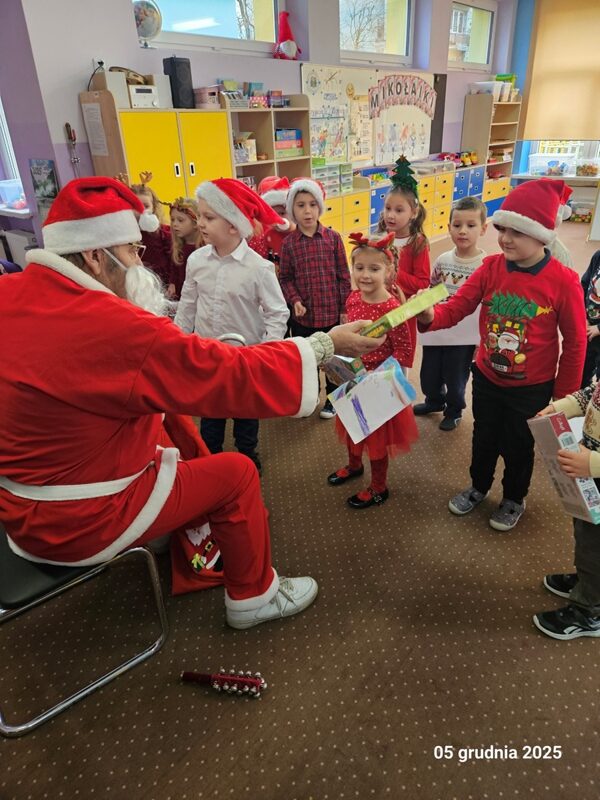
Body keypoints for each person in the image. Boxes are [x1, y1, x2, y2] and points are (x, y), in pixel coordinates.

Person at [0, 176, 385, 630]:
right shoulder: (115, 325)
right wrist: (324, 345)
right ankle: (253, 595)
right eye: (131, 251)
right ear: (95, 257)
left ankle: (164, 532)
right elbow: (227, 373)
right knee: (237, 472)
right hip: (80, 519)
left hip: (17, 504)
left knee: (173, 430)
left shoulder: (10, 293)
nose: (138, 262)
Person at [417, 178, 587, 532]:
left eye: (517, 232)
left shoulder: (564, 280)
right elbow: (458, 306)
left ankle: (513, 498)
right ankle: (478, 486)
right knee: (483, 438)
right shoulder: (491, 267)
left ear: (541, 235)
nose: (505, 238)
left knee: (518, 446)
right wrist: (431, 315)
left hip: (532, 387)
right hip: (487, 377)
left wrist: (564, 397)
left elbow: (575, 342)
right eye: (502, 229)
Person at [174, 178, 290, 474]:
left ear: (234, 226)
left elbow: (277, 312)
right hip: (207, 354)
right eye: (200, 215)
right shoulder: (197, 260)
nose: (200, 223)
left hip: (244, 358)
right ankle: (210, 456)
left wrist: (267, 352)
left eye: (209, 217)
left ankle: (247, 454)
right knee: (210, 414)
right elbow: (187, 305)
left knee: (245, 412)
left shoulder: (259, 268)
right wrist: (177, 343)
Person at [327, 233, 418, 508]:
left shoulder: (392, 309)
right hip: (352, 378)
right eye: (359, 267)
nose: (365, 275)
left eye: (374, 269)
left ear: (388, 271)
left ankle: (379, 487)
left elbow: (404, 350)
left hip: (378, 384)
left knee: (376, 440)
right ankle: (354, 465)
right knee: (352, 427)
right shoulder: (353, 298)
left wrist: (382, 377)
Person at [279, 178, 351, 419]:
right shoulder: (289, 244)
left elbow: (344, 276)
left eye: (312, 204)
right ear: (292, 210)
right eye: (300, 205)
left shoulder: (333, 238)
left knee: (333, 359)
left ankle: (333, 399)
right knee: (308, 361)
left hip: (331, 314)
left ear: (320, 207)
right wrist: (295, 300)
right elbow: (285, 278)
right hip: (304, 318)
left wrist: (344, 308)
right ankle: (311, 398)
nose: (307, 211)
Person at [415, 196, 487, 431]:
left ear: (483, 229)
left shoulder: (485, 265)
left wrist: (480, 340)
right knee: (429, 373)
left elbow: (486, 305)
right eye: (457, 225)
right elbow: (433, 289)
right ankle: (434, 400)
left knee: (456, 376)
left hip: (464, 336)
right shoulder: (443, 260)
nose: (463, 231)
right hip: (437, 330)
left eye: (471, 225)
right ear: (449, 228)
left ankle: (454, 410)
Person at [533, 385, 600, 639]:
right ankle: (587, 580)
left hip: (593, 465)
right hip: (590, 470)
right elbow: (594, 392)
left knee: (596, 548)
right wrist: (558, 408)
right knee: (586, 534)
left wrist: (593, 463)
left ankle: (589, 611)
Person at [377, 156, 431, 370]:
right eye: (388, 208)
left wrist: (393, 273)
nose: (391, 215)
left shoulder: (417, 243)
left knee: (400, 360)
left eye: (399, 210)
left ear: (413, 213)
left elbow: (422, 283)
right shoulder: (380, 238)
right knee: (379, 353)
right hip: (379, 306)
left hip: (404, 311)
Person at [129, 175, 173, 293]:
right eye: (136, 206)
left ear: (154, 208)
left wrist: (172, 282)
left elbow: (173, 260)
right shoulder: (126, 235)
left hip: (163, 283)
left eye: (146, 206)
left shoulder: (164, 233)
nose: (141, 211)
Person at [248, 175, 295, 267]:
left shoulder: (300, 233)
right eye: (272, 215)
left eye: (282, 213)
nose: (277, 219)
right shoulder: (268, 235)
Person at [169, 196, 203, 299]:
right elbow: (174, 270)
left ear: (195, 223)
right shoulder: (178, 248)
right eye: (172, 220)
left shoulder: (204, 249)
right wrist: (172, 283)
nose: (174, 224)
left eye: (180, 220)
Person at [579, 250, 600, 387]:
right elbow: (584, 285)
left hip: (597, 329)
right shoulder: (598, 256)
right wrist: (583, 316)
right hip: (588, 326)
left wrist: (598, 328)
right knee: (583, 367)